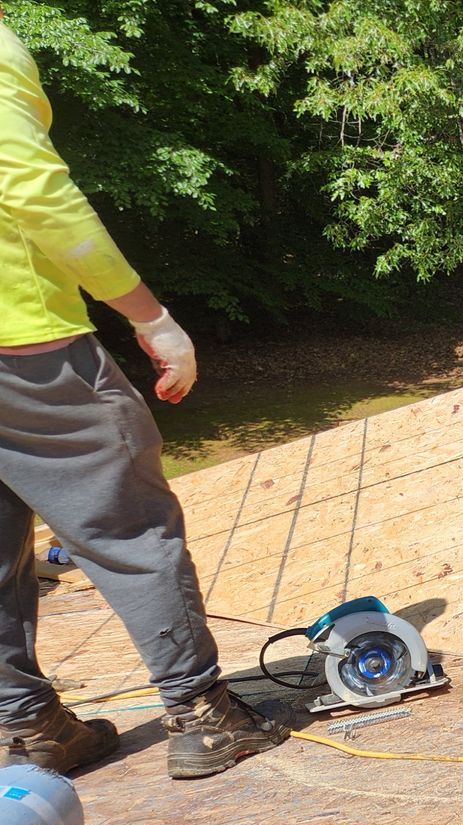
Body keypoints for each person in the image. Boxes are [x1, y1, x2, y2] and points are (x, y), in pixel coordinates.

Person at [0, 20, 290, 778]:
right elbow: (33, 190)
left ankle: (29, 727)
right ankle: (203, 714)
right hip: (25, 351)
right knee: (131, 524)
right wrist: (150, 317)